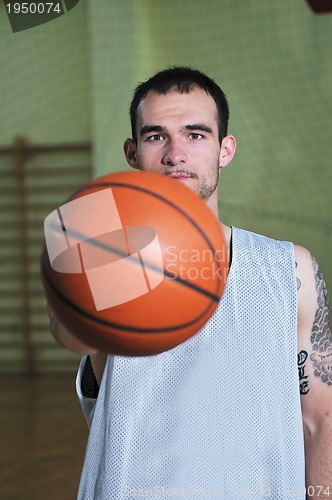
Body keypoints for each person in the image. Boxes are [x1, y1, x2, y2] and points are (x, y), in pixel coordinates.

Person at [49, 67, 332, 499]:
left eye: (196, 135)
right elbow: (73, 336)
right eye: (156, 136)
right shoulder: (103, 254)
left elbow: (320, 418)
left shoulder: (288, 269)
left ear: (225, 149)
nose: (175, 154)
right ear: (132, 151)